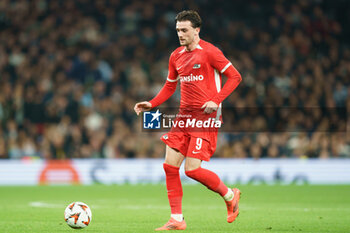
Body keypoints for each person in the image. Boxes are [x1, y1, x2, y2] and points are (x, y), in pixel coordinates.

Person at [134, 10, 242, 231]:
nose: (180, 34)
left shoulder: (210, 52)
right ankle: (177, 219)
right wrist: (152, 104)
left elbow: (235, 77)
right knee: (169, 166)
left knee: (192, 170)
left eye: (184, 30)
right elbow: (170, 86)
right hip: (184, 116)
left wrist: (216, 100)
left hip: (206, 116)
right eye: (177, 31)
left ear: (197, 30)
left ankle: (230, 195)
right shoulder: (176, 56)